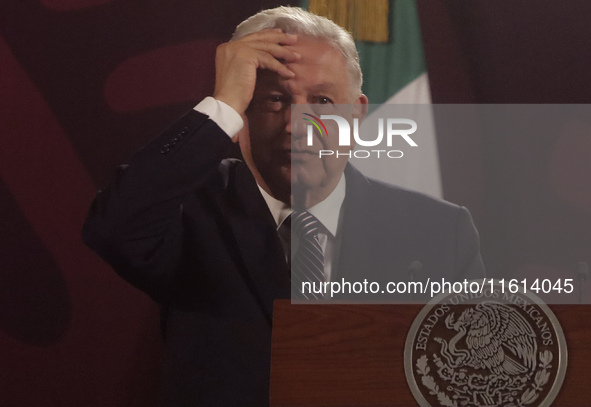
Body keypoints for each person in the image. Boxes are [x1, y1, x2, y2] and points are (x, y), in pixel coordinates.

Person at [82, 6, 484, 406]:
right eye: (274, 100)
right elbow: (113, 229)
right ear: (243, 113)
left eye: (323, 100)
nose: (297, 124)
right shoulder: (188, 208)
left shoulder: (439, 230)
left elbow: (472, 378)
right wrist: (222, 103)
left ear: (357, 114)